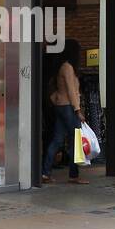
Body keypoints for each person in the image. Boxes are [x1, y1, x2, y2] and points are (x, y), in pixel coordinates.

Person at [41, 38, 88, 184]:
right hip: (68, 107)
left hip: (61, 107)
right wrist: (78, 110)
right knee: (75, 141)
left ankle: (45, 173)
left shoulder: (63, 66)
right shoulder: (67, 67)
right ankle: (73, 175)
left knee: (57, 139)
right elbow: (71, 91)